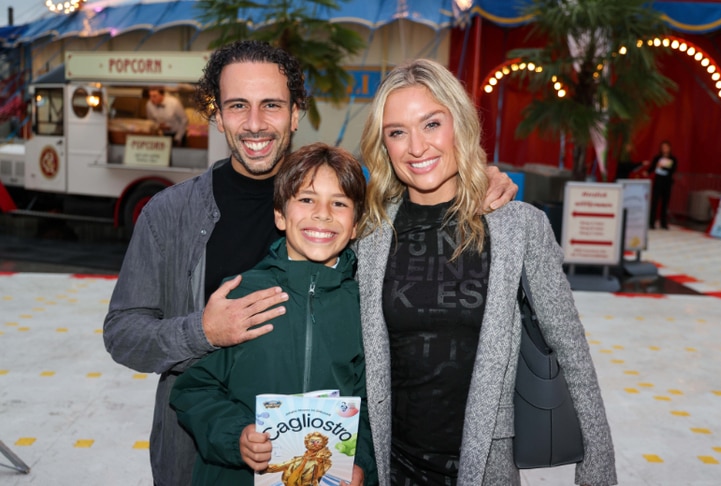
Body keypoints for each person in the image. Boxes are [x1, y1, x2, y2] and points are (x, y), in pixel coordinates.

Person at [102, 40, 518, 486]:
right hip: (203, 462)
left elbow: (423, 187)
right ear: (217, 115)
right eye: (238, 106)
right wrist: (203, 332)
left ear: (296, 113)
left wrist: (478, 180)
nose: (255, 123)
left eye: (272, 105)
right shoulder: (169, 214)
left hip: (329, 466)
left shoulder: (353, 206)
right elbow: (123, 333)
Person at [355, 59, 617, 485]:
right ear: (384, 145)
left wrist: (597, 470)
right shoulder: (369, 231)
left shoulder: (518, 227)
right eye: (397, 132)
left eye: (432, 124)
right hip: (390, 465)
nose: (417, 147)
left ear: (460, 124)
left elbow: (571, 349)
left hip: (486, 468)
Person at [170, 142, 376, 485]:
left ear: (355, 224)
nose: (323, 213)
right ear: (280, 215)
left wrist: (362, 465)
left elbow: (371, 405)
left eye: (339, 203)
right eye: (307, 199)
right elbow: (192, 390)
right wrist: (236, 436)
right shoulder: (242, 296)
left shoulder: (363, 308)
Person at [649, 140, 678, 229]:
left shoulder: (673, 159)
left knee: (665, 203)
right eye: (663, 147)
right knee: (655, 202)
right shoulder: (657, 158)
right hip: (658, 181)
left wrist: (664, 167)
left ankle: (663, 223)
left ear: (669, 148)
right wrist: (647, 172)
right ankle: (651, 222)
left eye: (666, 147)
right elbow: (652, 167)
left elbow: (673, 170)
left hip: (667, 182)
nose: (664, 149)